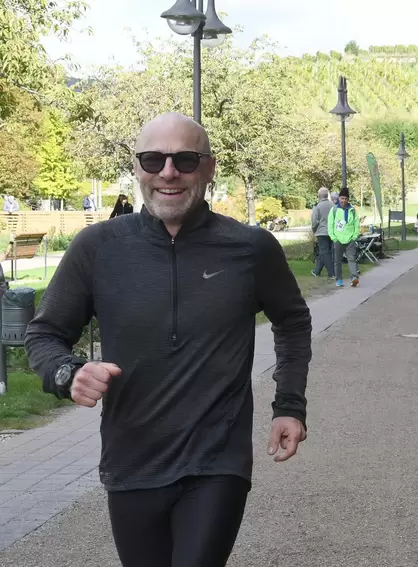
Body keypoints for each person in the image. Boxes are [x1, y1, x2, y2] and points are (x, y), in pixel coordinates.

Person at [24, 112, 311, 567]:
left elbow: (292, 322)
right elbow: (44, 334)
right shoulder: (98, 247)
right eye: (153, 160)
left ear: (210, 168)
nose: (169, 173)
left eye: (185, 159)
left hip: (217, 460)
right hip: (132, 460)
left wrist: (290, 405)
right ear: (138, 169)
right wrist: (68, 373)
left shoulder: (251, 248)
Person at [328, 187, 360, 288]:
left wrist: (354, 236)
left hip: (350, 239)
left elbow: (356, 224)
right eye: (342, 198)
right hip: (338, 239)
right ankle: (339, 279)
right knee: (337, 261)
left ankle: (354, 278)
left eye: (345, 198)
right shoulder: (334, 210)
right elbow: (330, 225)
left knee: (352, 259)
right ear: (339, 199)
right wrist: (333, 238)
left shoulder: (352, 210)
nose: (344, 201)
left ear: (348, 199)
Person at [311, 187, 334, 279]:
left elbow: (314, 221)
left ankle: (331, 273)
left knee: (325, 252)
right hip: (332, 232)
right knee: (324, 252)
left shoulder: (317, 207)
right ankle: (317, 271)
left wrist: (314, 230)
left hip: (322, 232)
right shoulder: (333, 205)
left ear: (319, 196)